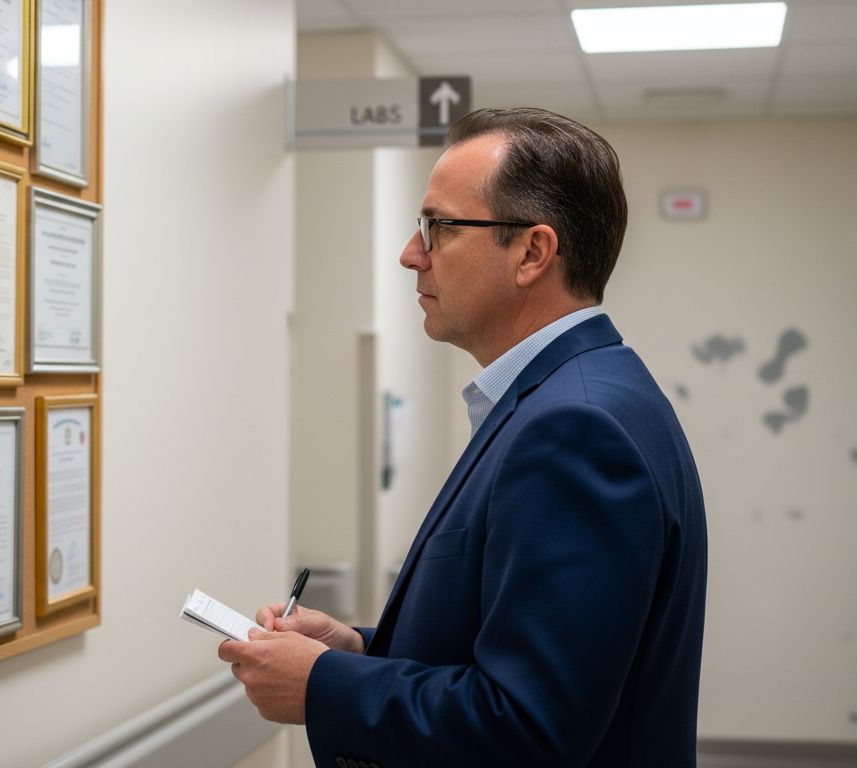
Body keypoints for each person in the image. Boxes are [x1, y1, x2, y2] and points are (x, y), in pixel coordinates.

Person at [219, 108, 707, 767]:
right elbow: (507, 645)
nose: (410, 253)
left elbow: (529, 729)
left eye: (437, 227)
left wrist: (322, 685)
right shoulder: (574, 395)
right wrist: (358, 651)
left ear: (532, 253)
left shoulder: (576, 430)